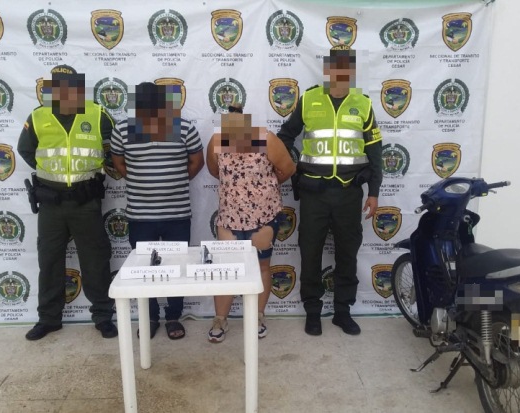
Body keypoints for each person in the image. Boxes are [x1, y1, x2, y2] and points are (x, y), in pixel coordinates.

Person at [277, 46, 383, 336]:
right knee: (310, 252)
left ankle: (342, 312)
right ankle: (313, 311)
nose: (341, 73)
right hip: (315, 193)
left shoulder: (363, 104)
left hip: (349, 193)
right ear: (327, 70)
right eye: (335, 68)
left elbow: (375, 151)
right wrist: (290, 168)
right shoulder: (309, 99)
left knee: (348, 253)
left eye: (346, 68)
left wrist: (374, 192)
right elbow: (285, 137)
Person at [17, 64, 117, 340]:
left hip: (86, 202)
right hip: (51, 203)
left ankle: (103, 317)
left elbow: (114, 148)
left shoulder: (97, 113)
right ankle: (49, 319)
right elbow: (25, 150)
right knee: (49, 260)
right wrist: (50, 175)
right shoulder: (38, 117)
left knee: (95, 260)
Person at [111, 82, 204, 340]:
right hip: (140, 216)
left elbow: (197, 161)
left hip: (177, 214)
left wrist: (175, 181)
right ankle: (149, 317)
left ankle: (173, 316)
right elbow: (118, 162)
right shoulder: (123, 129)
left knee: (177, 266)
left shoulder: (183, 128)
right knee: (145, 269)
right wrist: (141, 181)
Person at [206, 104, 296, 342]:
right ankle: (220, 319)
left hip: (263, 217)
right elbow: (214, 170)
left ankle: (257, 316)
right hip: (229, 218)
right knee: (225, 270)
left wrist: (263, 189)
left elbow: (287, 169)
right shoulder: (217, 141)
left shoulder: (266, 139)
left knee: (262, 266)